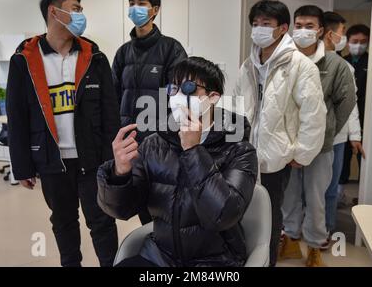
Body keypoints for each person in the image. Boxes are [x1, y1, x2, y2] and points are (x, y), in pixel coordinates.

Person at [98, 57, 258, 267]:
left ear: (213, 97)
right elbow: (123, 209)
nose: (178, 96)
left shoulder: (239, 150)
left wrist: (193, 151)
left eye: (189, 88)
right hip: (160, 256)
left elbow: (222, 215)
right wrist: (120, 174)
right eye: (173, 89)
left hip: (215, 261)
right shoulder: (154, 144)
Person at [6, 0, 120, 267]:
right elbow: (17, 116)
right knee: (64, 222)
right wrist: (22, 167)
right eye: (76, 8)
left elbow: (110, 113)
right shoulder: (24, 60)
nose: (81, 15)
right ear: (54, 12)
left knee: (102, 221)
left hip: (92, 158)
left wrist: (113, 160)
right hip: (50, 161)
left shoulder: (95, 56)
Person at [233, 0, 327, 267]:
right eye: (255, 24)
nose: (259, 29)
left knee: (270, 220)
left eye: (266, 24)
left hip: (277, 156)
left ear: (282, 28)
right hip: (246, 154)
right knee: (243, 214)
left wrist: (303, 153)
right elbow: (239, 105)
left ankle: (268, 262)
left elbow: (313, 114)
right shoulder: (248, 64)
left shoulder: (300, 65)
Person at [280, 5, 356, 266]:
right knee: (289, 195)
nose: (303, 30)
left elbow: (346, 103)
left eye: (309, 26)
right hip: (286, 143)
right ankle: (289, 240)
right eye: (298, 25)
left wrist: (327, 130)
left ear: (321, 30)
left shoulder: (336, 65)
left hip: (321, 145)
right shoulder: (284, 58)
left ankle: (314, 245)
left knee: (315, 197)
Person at [112, 0, 187, 224]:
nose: (135, 8)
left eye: (142, 4)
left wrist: (171, 138)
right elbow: (113, 97)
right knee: (140, 204)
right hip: (131, 143)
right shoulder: (123, 53)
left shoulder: (171, 49)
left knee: (162, 207)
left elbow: (180, 99)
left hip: (161, 144)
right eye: (132, 3)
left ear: (155, 10)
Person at [322, 12, 365, 237]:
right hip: (306, 138)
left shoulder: (345, 68)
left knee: (330, 188)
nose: (343, 38)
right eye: (342, 33)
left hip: (336, 140)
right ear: (330, 34)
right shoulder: (302, 62)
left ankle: (327, 229)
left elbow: (351, 106)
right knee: (300, 190)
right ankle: (295, 232)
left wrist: (355, 136)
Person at [339, 24, 370, 195]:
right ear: (348, 42)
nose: (359, 45)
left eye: (363, 42)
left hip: (366, 117)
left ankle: (363, 194)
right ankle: (339, 194)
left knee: (363, 158)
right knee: (342, 160)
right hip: (344, 118)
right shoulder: (342, 62)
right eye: (355, 41)